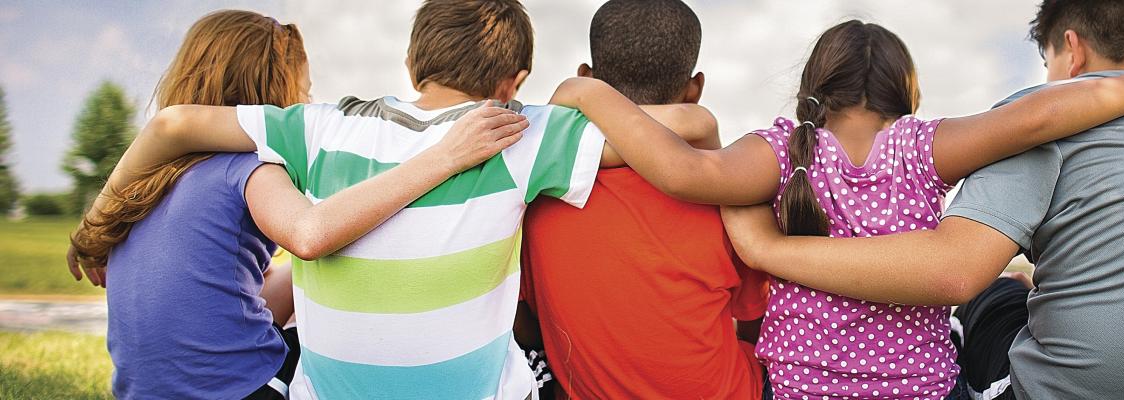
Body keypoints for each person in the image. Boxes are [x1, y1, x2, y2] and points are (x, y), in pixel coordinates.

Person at [543, 18, 1124, 399]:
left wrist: (590, 96)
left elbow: (684, 170)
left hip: (803, 392)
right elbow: (1037, 117)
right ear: (907, 92)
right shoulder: (923, 147)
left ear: (815, 88)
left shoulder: (783, 151)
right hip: (920, 390)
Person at [76, 1, 712, 398]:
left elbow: (169, 125)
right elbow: (677, 127)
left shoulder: (318, 125)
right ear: (512, 82)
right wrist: (582, 96)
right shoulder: (518, 129)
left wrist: (96, 223)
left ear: (411, 65)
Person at [718, 1, 1124, 399]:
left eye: (1048, 63)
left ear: (1072, 53)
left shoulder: (1043, 123)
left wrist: (767, 249)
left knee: (990, 294)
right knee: (1009, 287)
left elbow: (951, 273)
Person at [65, 10, 527, 400]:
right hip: (238, 390)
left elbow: (216, 292)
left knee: (309, 286)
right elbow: (309, 234)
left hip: (140, 389)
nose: (306, 102)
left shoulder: (151, 180)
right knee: (350, 338)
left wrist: (93, 227)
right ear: (270, 92)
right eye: (302, 90)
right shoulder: (248, 168)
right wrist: (443, 157)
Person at [515, 1, 768, 399]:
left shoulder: (537, 197)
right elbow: (754, 321)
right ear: (695, 89)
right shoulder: (724, 192)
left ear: (587, 77)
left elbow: (527, 324)